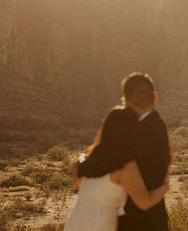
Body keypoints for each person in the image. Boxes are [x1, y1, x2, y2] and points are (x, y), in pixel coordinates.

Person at [66, 72, 171, 231]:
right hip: (133, 221)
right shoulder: (154, 129)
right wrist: (165, 187)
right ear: (155, 97)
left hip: (79, 221)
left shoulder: (90, 161)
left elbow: (78, 174)